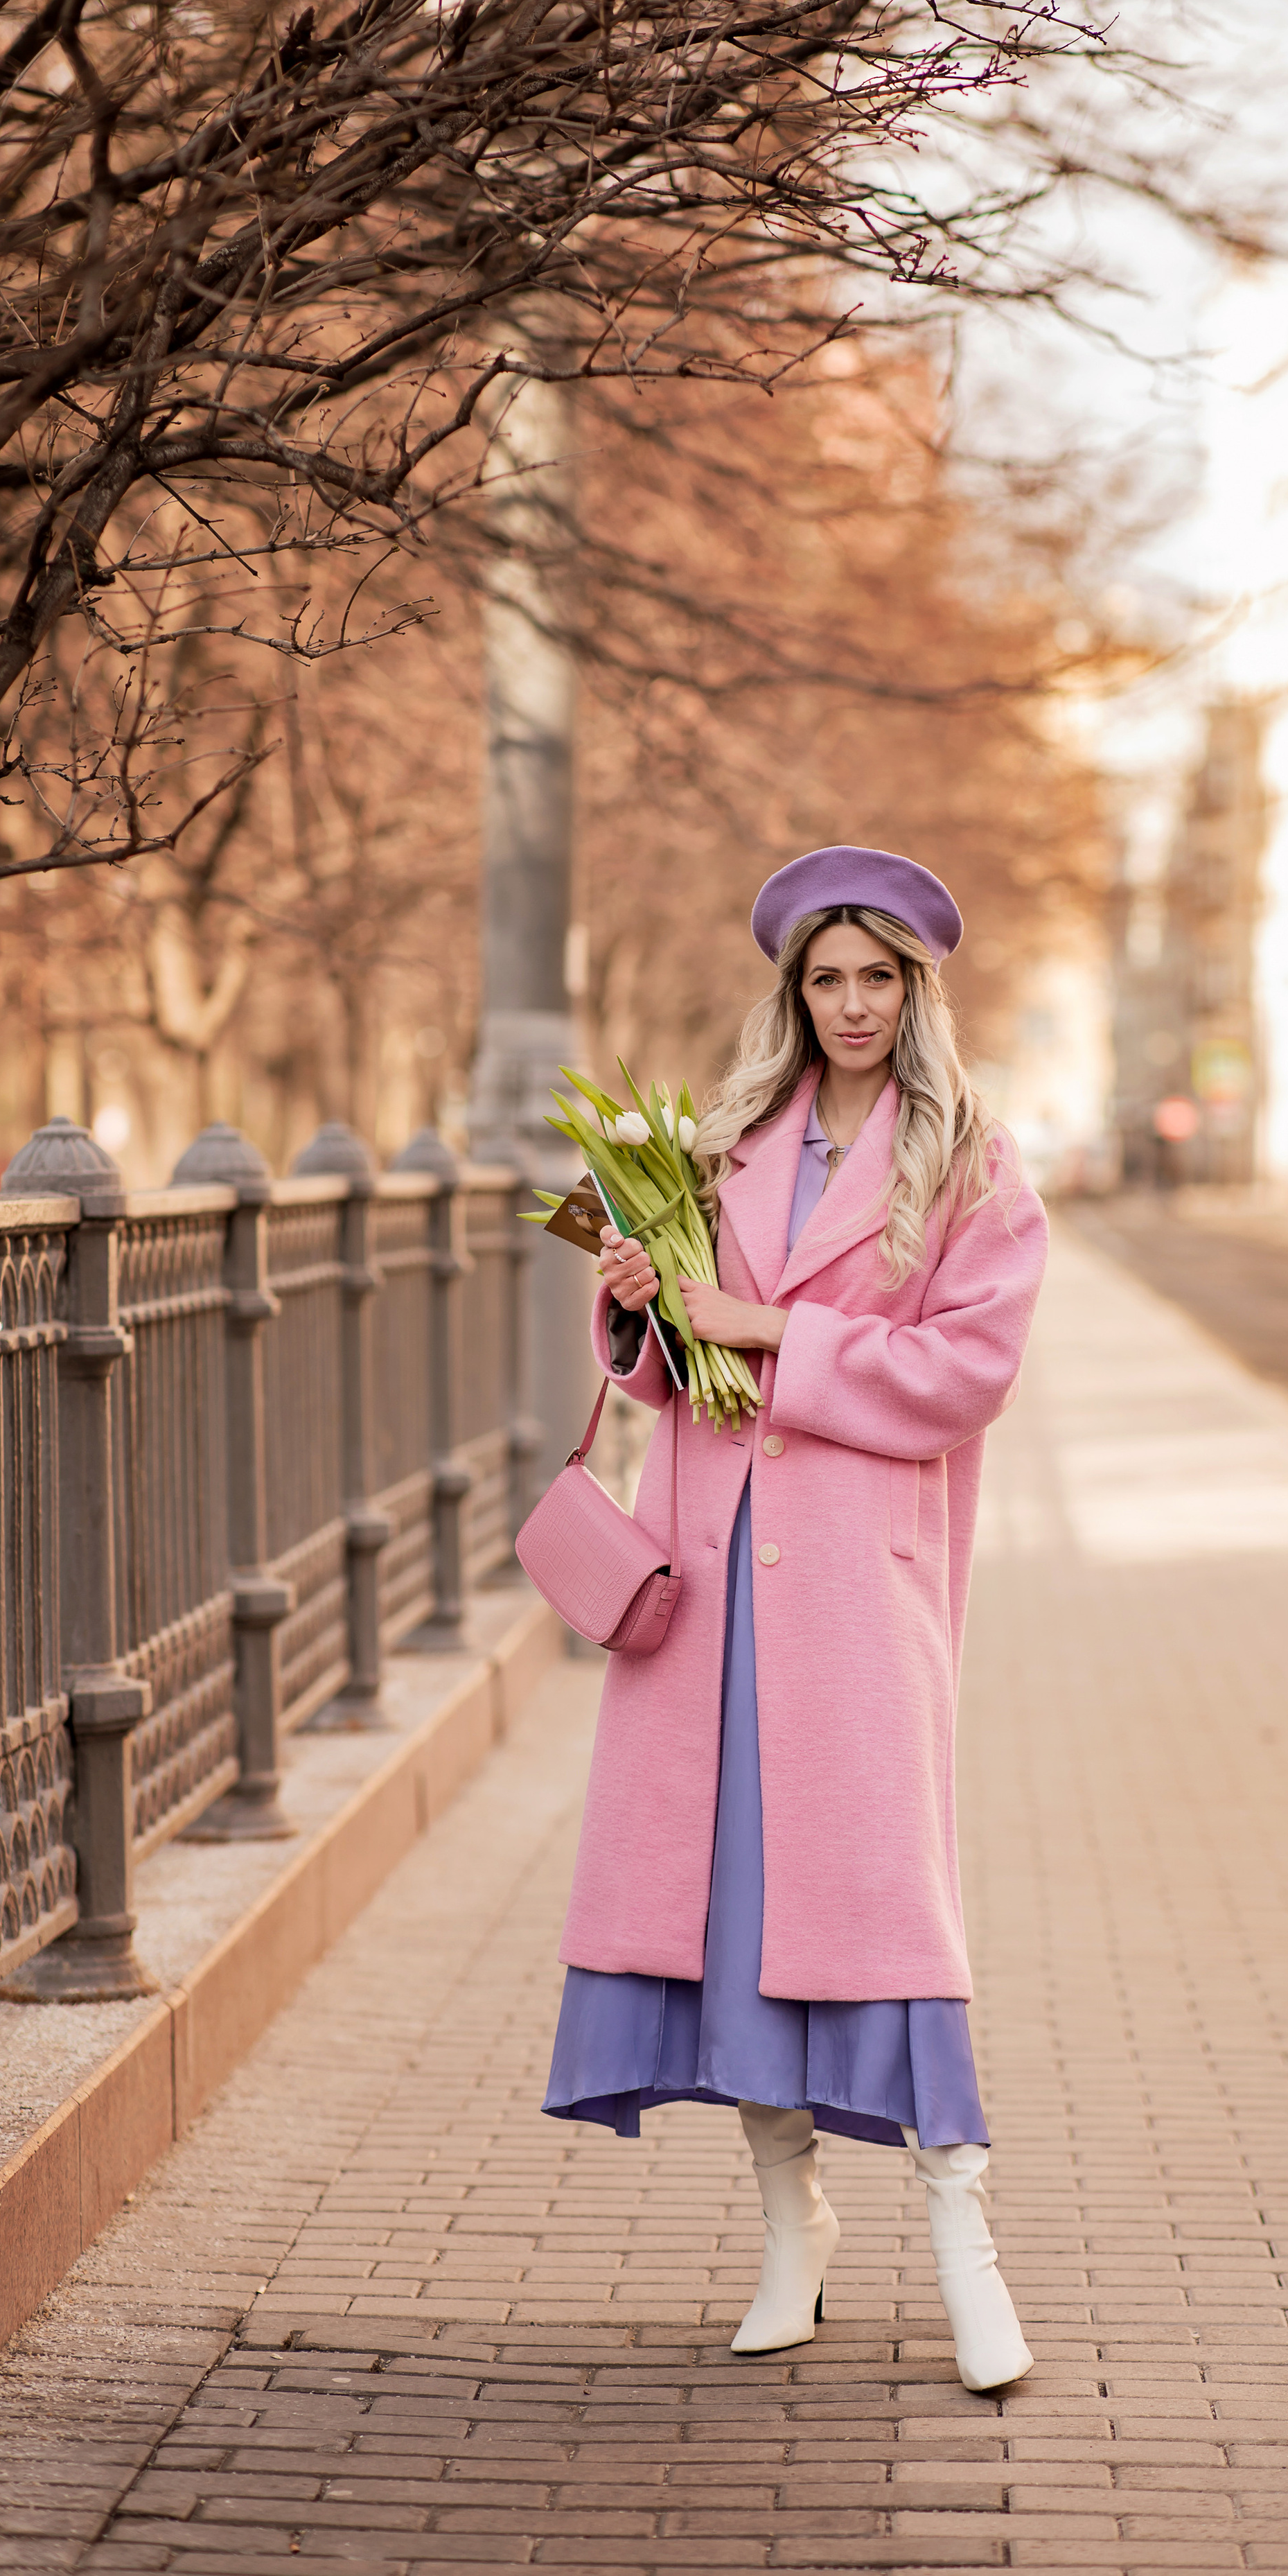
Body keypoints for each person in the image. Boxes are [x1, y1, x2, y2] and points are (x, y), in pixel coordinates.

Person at [542, 845, 1049, 2391]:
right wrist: (632, 1302)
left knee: (886, 1911)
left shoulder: (969, 1161)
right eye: (824, 979)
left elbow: (965, 1374)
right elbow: (665, 1374)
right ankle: (790, 2228)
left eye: (875, 979)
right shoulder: (722, 1140)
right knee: (734, 1914)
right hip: (710, 1583)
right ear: (793, 991)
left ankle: (963, 2243)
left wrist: (776, 1329)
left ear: (915, 992)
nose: (848, 1005)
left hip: (852, 1586)